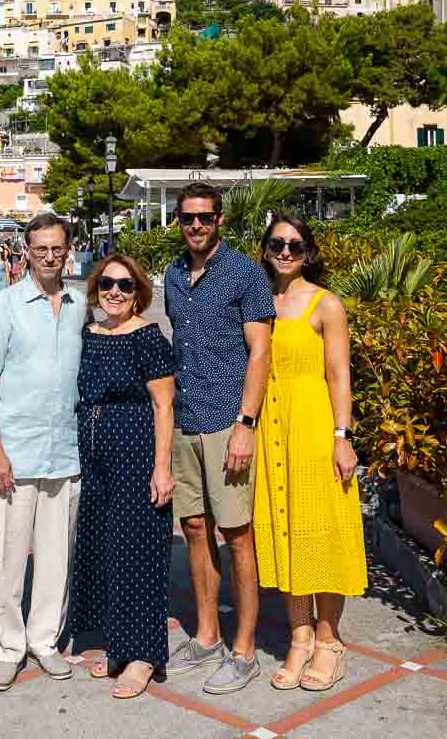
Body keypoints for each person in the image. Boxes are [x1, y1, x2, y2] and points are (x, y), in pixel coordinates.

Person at [164, 181, 275, 695]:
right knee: (192, 529)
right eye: (188, 218)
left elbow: (260, 352)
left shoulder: (244, 273)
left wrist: (245, 425)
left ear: (220, 220)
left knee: (236, 535)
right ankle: (206, 635)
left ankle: (244, 649)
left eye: (205, 218)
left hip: (228, 424)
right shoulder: (172, 276)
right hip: (186, 422)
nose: (196, 226)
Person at [255, 214, 367, 692]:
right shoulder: (259, 301)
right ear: (265, 249)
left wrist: (343, 436)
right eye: (278, 243)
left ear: (308, 252)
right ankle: (298, 637)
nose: (286, 252)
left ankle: (328, 642)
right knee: (285, 529)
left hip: (314, 427)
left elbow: (340, 375)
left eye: (296, 245)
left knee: (321, 531)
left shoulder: (327, 304)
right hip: (269, 430)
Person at [0, 213, 86, 691]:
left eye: (56, 248)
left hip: (64, 448)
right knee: (5, 557)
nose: (48, 256)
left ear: (68, 250)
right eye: (39, 248)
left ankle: (44, 640)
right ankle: (6, 647)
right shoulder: (4, 305)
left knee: (56, 555)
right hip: (15, 451)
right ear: (26, 251)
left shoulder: (82, 302)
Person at [72, 255, 175, 700]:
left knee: (139, 550)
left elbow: (164, 405)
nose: (115, 292)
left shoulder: (147, 337)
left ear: (139, 295)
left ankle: (143, 656)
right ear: (96, 289)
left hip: (136, 451)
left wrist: (162, 466)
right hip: (93, 456)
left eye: (125, 286)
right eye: (108, 284)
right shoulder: (89, 335)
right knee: (104, 548)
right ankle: (118, 644)